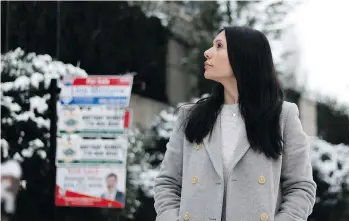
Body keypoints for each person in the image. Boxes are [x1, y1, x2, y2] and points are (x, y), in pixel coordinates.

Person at [153, 26, 317, 221]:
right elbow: (167, 183)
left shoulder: (282, 116)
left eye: (219, 46)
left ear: (243, 56)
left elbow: (300, 187)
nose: (207, 52)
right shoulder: (190, 116)